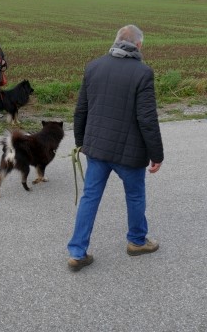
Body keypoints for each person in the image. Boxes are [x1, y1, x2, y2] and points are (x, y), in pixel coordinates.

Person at [66, 24, 164, 272]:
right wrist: (157, 154)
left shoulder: (94, 66)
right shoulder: (143, 73)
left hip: (97, 148)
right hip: (129, 153)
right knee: (135, 195)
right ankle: (136, 242)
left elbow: (81, 110)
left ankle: (77, 253)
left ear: (116, 41)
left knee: (90, 197)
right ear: (138, 45)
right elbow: (147, 119)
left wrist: (81, 142)